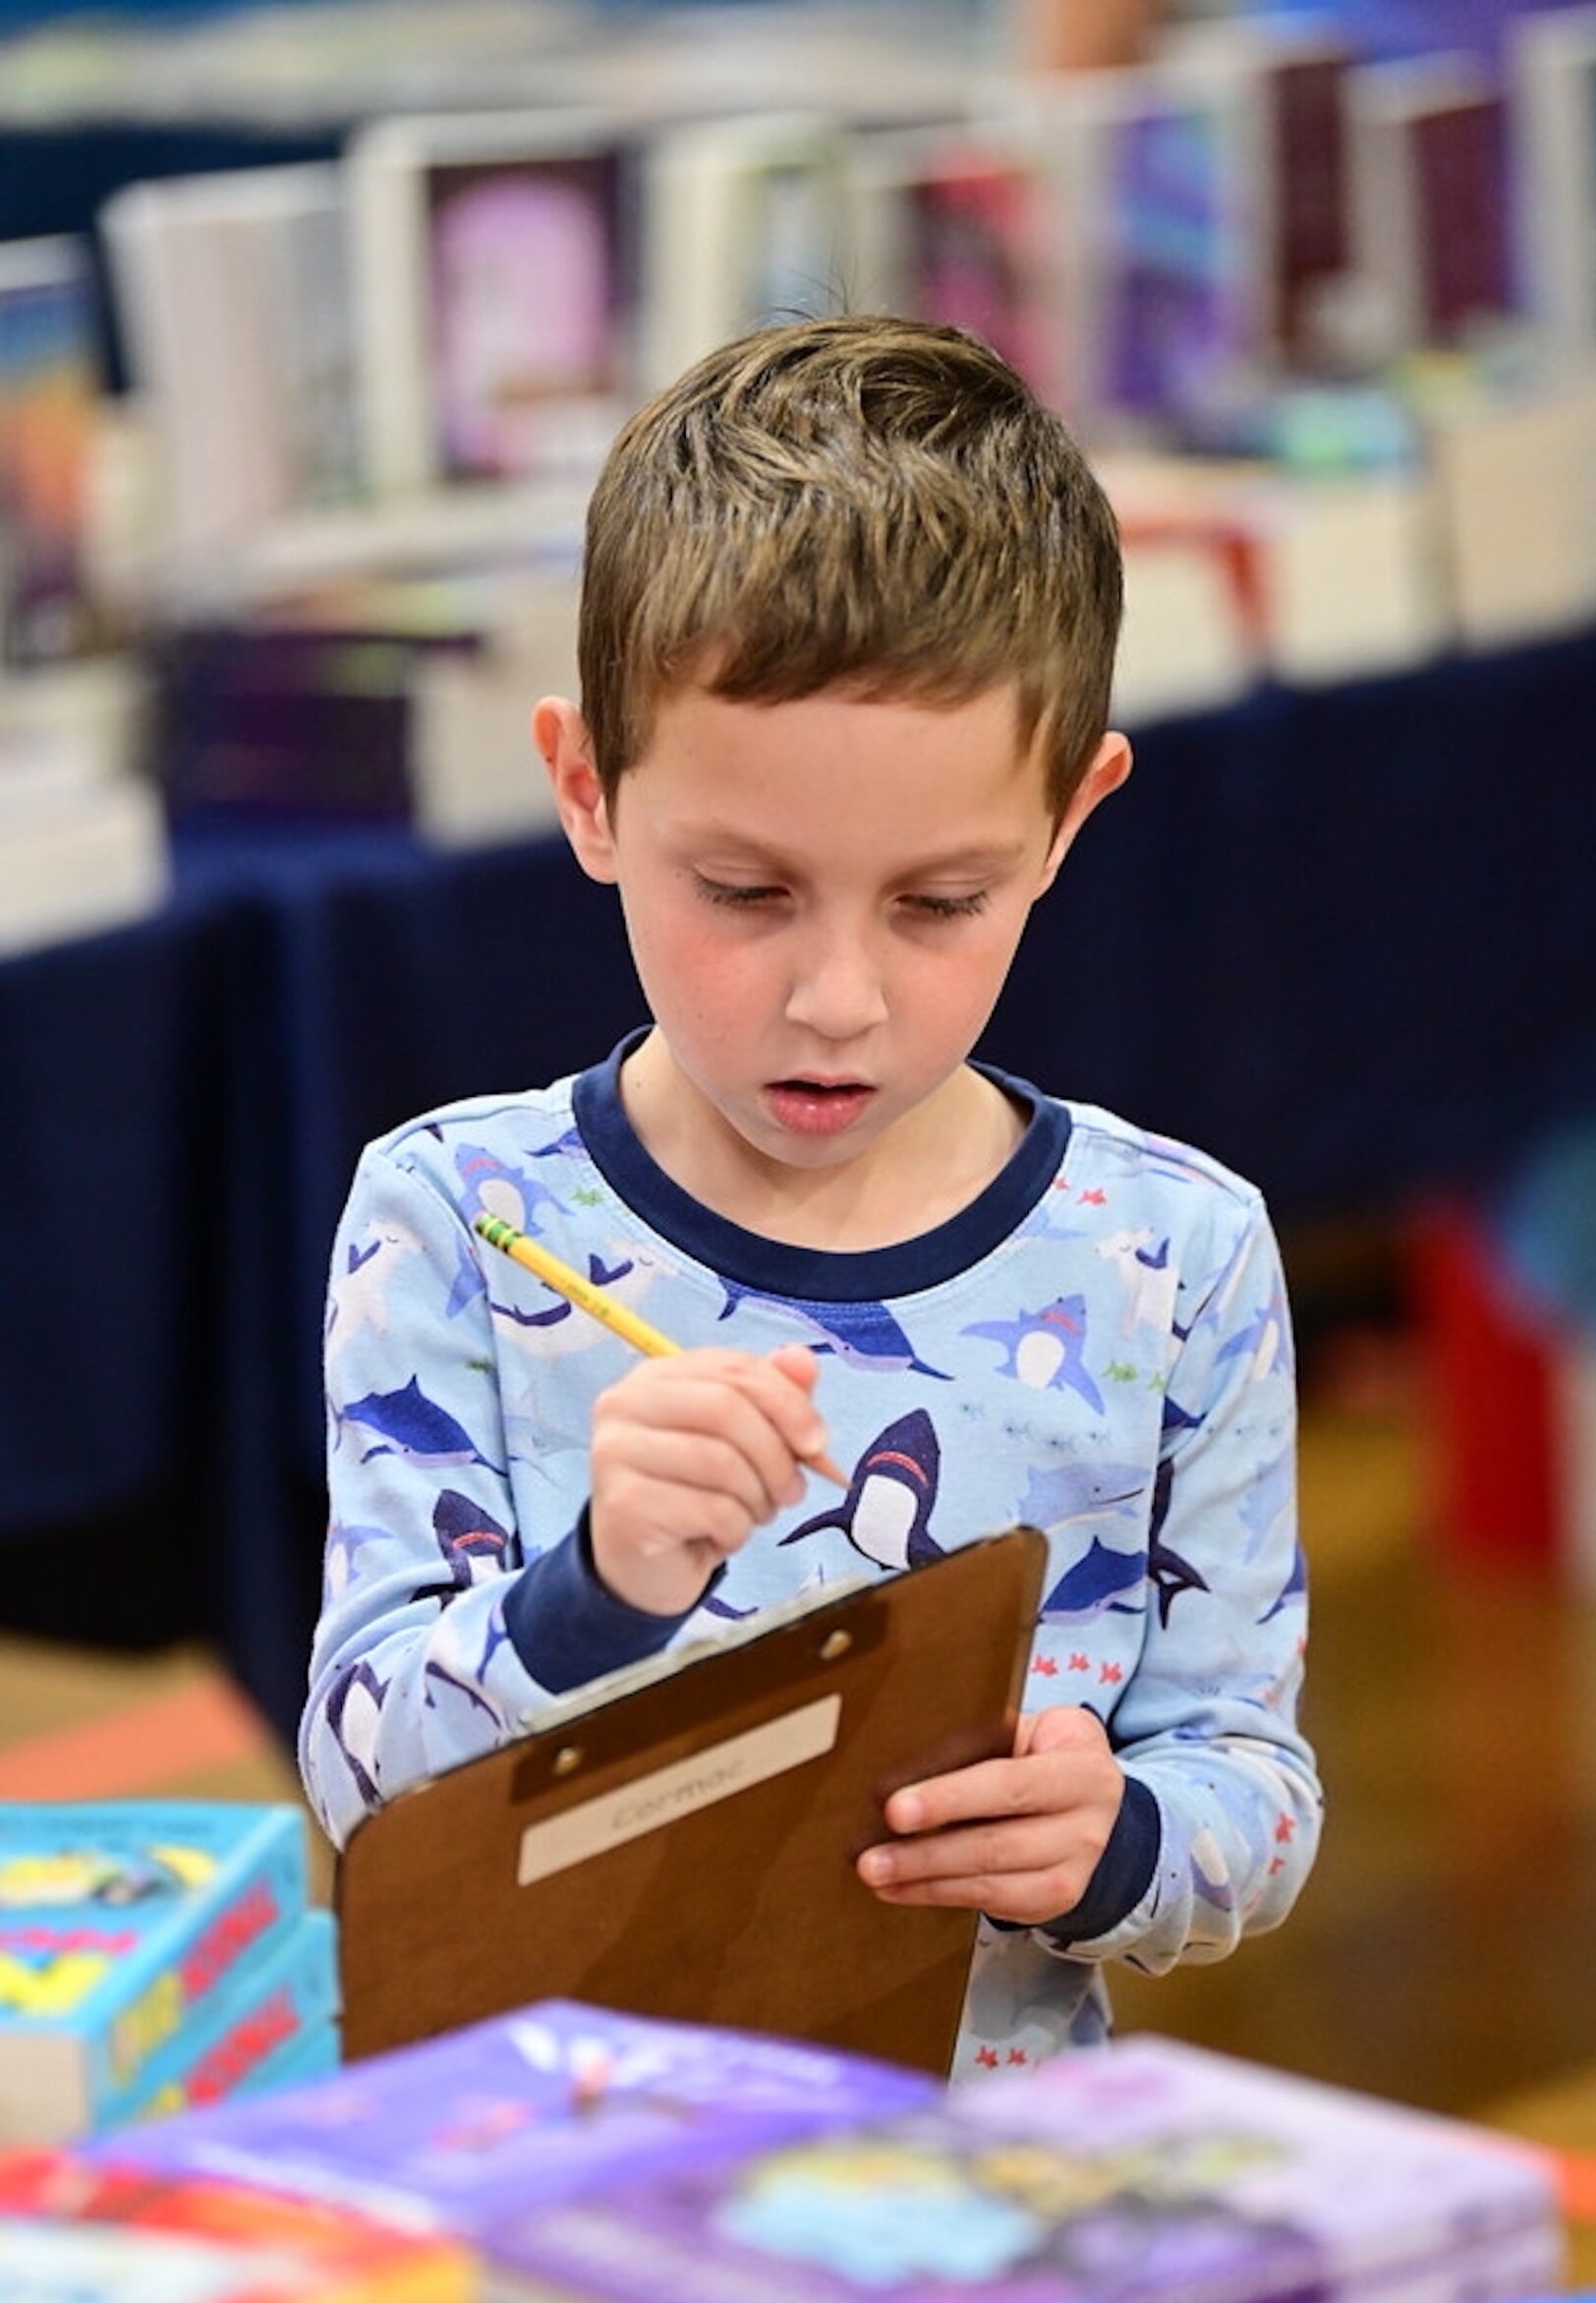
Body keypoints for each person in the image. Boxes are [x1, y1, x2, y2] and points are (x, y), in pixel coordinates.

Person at [300, 313, 1320, 2080]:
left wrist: (1119, 1845)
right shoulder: (460, 1216)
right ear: (585, 791)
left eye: (938, 904)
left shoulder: (1178, 1259)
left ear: (1071, 821)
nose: (835, 997)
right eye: (746, 890)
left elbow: (1255, 1787)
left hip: (988, 2188)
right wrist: (597, 1584)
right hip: (552, 2165)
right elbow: (358, 1780)